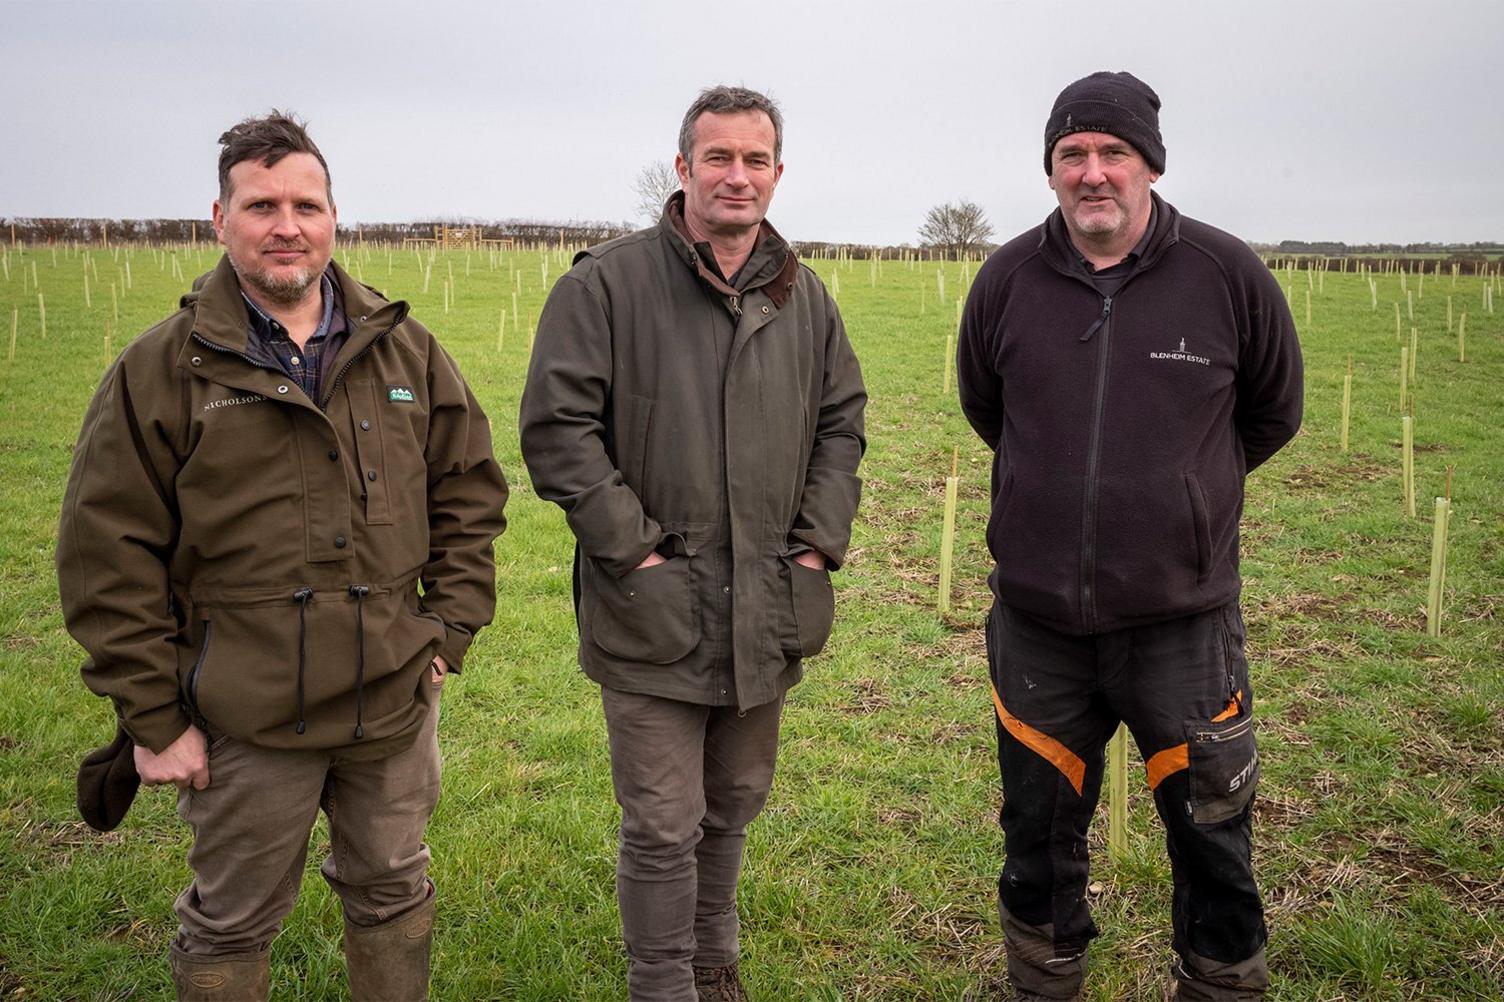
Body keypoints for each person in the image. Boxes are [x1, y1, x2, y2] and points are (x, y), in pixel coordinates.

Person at [57, 111, 508, 1001]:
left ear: (335, 215)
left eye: (306, 203)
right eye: (260, 205)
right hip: (243, 715)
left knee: (392, 889)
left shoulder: (404, 349)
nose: (286, 225)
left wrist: (448, 630)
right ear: (219, 219)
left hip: (390, 703)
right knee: (231, 920)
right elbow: (107, 552)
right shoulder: (162, 370)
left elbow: (470, 491)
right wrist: (152, 716)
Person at [956, 72, 1303, 1001]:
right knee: (1035, 831)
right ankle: (1043, 982)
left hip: (1182, 626)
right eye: (1072, 155)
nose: (1093, 173)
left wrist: (1181, 495)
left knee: (1212, 829)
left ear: (1150, 164)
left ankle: (1221, 984)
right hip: (1038, 628)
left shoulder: (1227, 275)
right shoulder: (1006, 280)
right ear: (1051, 170)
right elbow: (989, 411)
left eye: (1113, 153)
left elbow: (1271, 414)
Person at [519, 85, 866, 1001]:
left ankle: (716, 964)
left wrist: (814, 549)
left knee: (735, 806)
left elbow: (841, 422)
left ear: (778, 174)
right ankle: (663, 983)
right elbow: (558, 430)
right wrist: (633, 554)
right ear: (682, 169)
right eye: (718, 157)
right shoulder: (607, 283)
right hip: (653, 609)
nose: (737, 176)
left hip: (768, 603)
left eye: (756, 160)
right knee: (664, 822)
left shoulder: (805, 296)